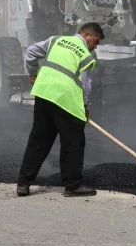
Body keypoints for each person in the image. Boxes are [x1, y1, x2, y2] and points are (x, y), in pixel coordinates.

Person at [16, 22, 105, 198]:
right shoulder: (86, 55)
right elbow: (86, 85)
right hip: (66, 99)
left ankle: (23, 183)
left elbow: (31, 51)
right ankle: (72, 186)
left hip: (43, 93)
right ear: (86, 35)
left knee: (39, 140)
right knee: (74, 142)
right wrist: (86, 107)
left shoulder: (55, 40)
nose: (96, 46)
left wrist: (33, 73)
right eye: (96, 41)